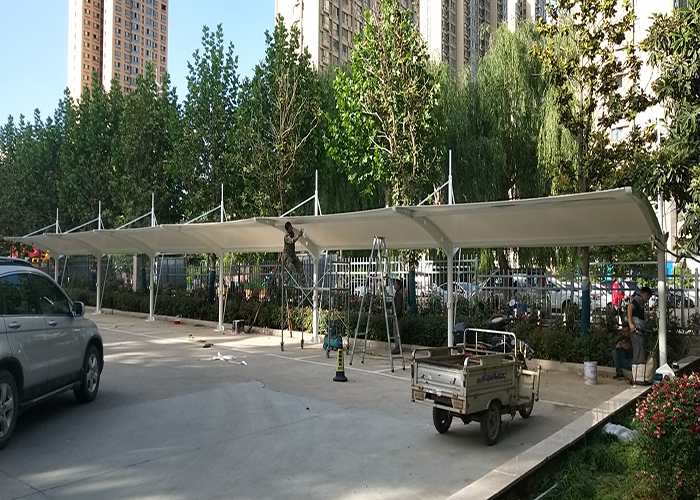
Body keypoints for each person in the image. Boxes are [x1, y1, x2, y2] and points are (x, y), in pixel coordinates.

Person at [627, 286, 652, 384]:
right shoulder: (638, 299)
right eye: (648, 298)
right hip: (636, 331)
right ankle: (638, 377)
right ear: (645, 294)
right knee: (639, 353)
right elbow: (630, 307)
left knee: (638, 352)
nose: (647, 301)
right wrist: (631, 324)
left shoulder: (639, 301)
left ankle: (636, 376)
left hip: (639, 331)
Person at [283, 221, 307, 287]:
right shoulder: (286, 236)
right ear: (287, 230)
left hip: (293, 254)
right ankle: (286, 281)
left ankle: (304, 282)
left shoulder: (292, 233)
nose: (292, 229)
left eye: (291, 227)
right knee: (290, 267)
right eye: (290, 228)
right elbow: (292, 241)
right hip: (288, 255)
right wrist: (298, 235)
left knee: (299, 265)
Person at [391, 278, 404, 355]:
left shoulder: (399, 294)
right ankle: (397, 347)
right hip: (397, 316)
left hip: (397, 317)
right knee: (395, 332)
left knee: (397, 332)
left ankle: (398, 348)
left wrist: (395, 315)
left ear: (399, 286)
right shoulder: (397, 294)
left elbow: (398, 307)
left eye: (396, 284)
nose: (394, 285)